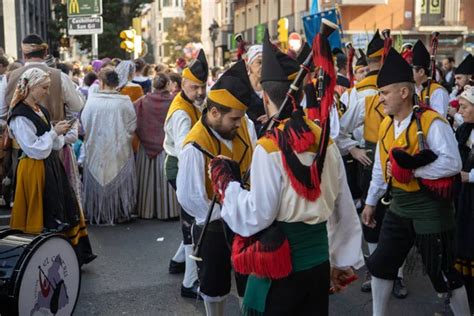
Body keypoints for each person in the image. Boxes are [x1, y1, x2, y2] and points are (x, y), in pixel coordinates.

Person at [209, 29, 364, 315]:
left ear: (266, 98)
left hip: (282, 270)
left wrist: (227, 186)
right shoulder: (326, 141)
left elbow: (258, 215)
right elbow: (343, 208)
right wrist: (338, 261)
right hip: (318, 267)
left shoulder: (269, 148)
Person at [362, 48, 470, 316]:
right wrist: (370, 202)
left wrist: (412, 171)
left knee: (443, 274)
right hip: (399, 207)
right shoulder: (387, 125)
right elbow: (380, 168)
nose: (380, 98)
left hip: (431, 210)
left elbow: (453, 163)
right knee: (380, 264)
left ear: (403, 92)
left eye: (385, 92)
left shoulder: (432, 122)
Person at [177, 59, 256, 315]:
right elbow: (190, 199)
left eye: (240, 118)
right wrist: (231, 210)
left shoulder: (245, 124)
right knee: (215, 284)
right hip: (212, 223)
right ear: (214, 113)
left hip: (246, 219)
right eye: (234, 118)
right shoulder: (195, 146)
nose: (239, 123)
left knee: (250, 281)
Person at [337, 30, 408, 296]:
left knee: (395, 221)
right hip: (372, 162)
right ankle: (379, 271)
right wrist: (354, 149)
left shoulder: (405, 93)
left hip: (403, 163)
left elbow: (339, 130)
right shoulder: (366, 95)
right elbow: (340, 131)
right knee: (373, 219)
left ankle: (396, 275)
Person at [8, 67, 95, 265]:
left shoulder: (41, 110)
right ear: (30, 87)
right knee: (42, 212)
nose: (47, 92)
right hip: (33, 170)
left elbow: (52, 144)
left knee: (59, 208)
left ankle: (64, 255)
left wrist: (60, 132)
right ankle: (38, 258)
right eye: (44, 88)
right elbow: (34, 149)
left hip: (50, 166)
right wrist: (54, 132)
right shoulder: (20, 116)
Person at [163, 49, 208, 298]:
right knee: (192, 224)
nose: (200, 92)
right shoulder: (181, 111)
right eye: (195, 88)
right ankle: (190, 283)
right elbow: (184, 150)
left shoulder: (191, 103)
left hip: (183, 166)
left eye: (202, 86)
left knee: (190, 219)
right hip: (180, 167)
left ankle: (178, 262)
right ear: (183, 84)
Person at [81, 68, 137, 225]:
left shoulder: (92, 101)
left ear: (102, 83)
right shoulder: (124, 101)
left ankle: (97, 212)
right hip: (119, 148)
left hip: (95, 147)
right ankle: (119, 211)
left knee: (98, 174)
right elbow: (132, 126)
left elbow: (84, 124)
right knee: (118, 178)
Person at [135, 73, 180, 220]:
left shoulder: (143, 101)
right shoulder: (175, 101)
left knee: (148, 180)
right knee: (166, 179)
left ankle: (147, 210)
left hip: (147, 147)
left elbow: (134, 119)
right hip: (167, 146)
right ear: (168, 85)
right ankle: (169, 211)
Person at [454, 85, 474, 302]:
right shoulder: (463, 130)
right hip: (464, 199)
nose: (459, 111)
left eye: (464, 107)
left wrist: (470, 177)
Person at [411, 40, 450, 117]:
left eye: (411, 70)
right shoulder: (413, 89)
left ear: (421, 72)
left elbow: (438, 119)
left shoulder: (438, 92)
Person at [245, 45, 267, 133]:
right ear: (250, 65)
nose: (263, 66)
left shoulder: (270, 85)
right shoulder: (242, 86)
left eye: (266, 62)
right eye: (259, 62)